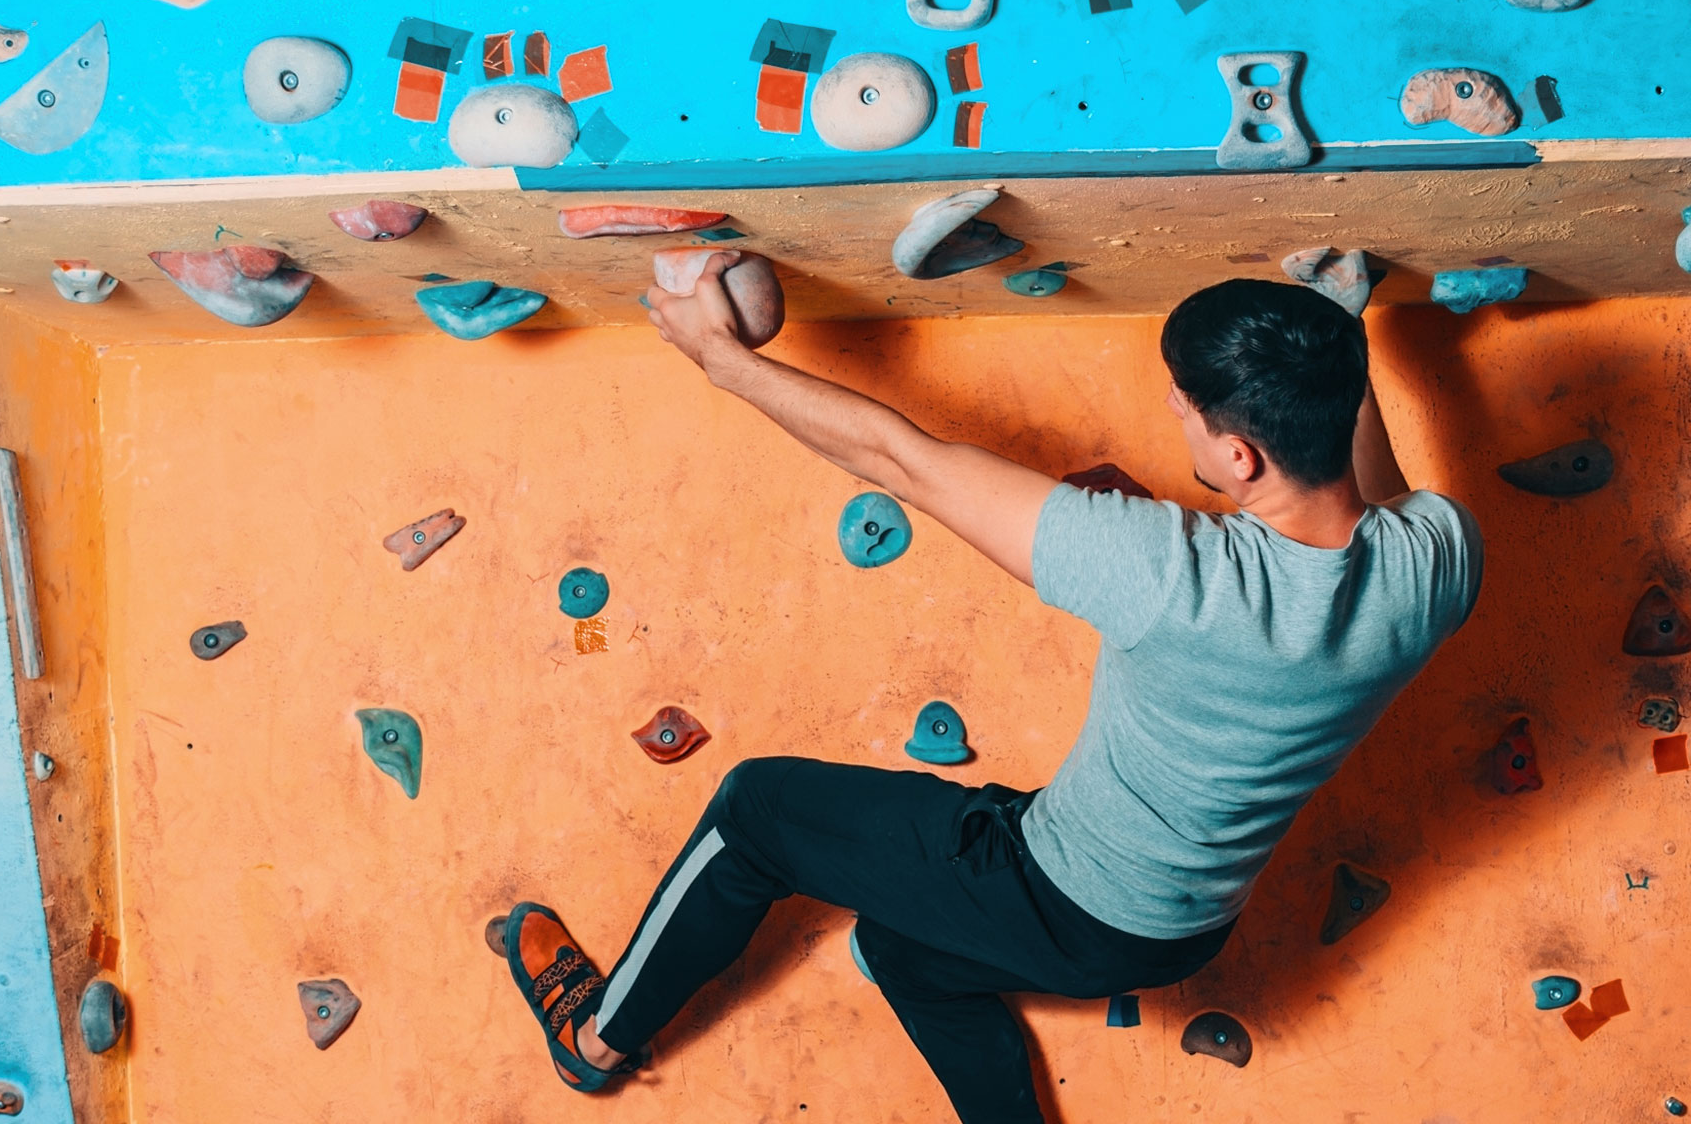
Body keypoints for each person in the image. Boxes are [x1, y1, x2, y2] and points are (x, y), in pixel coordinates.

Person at [494, 263, 1483, 1121]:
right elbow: (1381, 498)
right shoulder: (1439, 561)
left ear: (1239, 458)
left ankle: (597, 1040)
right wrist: (1336, 332)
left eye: (1186, 404)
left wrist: (720, 357)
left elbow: (905, 463)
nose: (1174, 407)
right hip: (1183, 931)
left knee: (757, 809)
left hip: (1055, 894)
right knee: (902, 950)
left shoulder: (1175, 575)